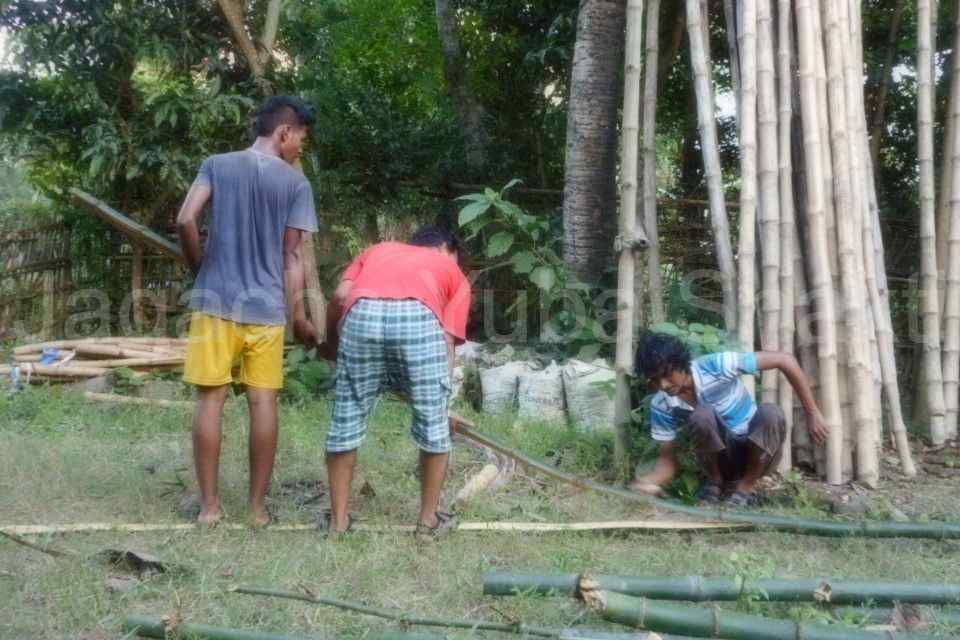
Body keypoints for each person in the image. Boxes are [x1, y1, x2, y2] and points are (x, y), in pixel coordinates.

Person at [176, 95, 320, 527]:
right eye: (301, 140)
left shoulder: (216, 164)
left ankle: (210, 508)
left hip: (216, 300)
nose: (299, 149)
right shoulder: (295, 185)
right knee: (263, 402)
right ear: (283, 133)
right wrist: (297, 318)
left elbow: (186, 219)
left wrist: (200, 268)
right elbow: (291, 257)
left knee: (210, 400)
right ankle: (256, 511)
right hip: (267, 309)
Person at [320, 226, 471, 539]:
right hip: (420, 320)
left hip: (362, 314)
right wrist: (439, 405)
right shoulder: (453, 273)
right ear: (444, 249)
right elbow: (445, 343)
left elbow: (339, 296)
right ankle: (427, 523)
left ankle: (338, 523)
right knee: (433, 430)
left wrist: (331, 346)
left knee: (346, 419)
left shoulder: (378, 250)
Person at [629, 332, 829, 507]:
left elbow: (784, 360)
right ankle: (716, 484)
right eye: (655, 379)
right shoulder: (662, 404)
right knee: (702, 414)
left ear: (681, 363)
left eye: (666, 374)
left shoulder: (716, 366)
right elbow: (667, 462)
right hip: (721, 460)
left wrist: (812, 413)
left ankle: (745, 488)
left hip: (758, 454)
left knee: (771, 413)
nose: (663, 384)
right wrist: (647, 482)